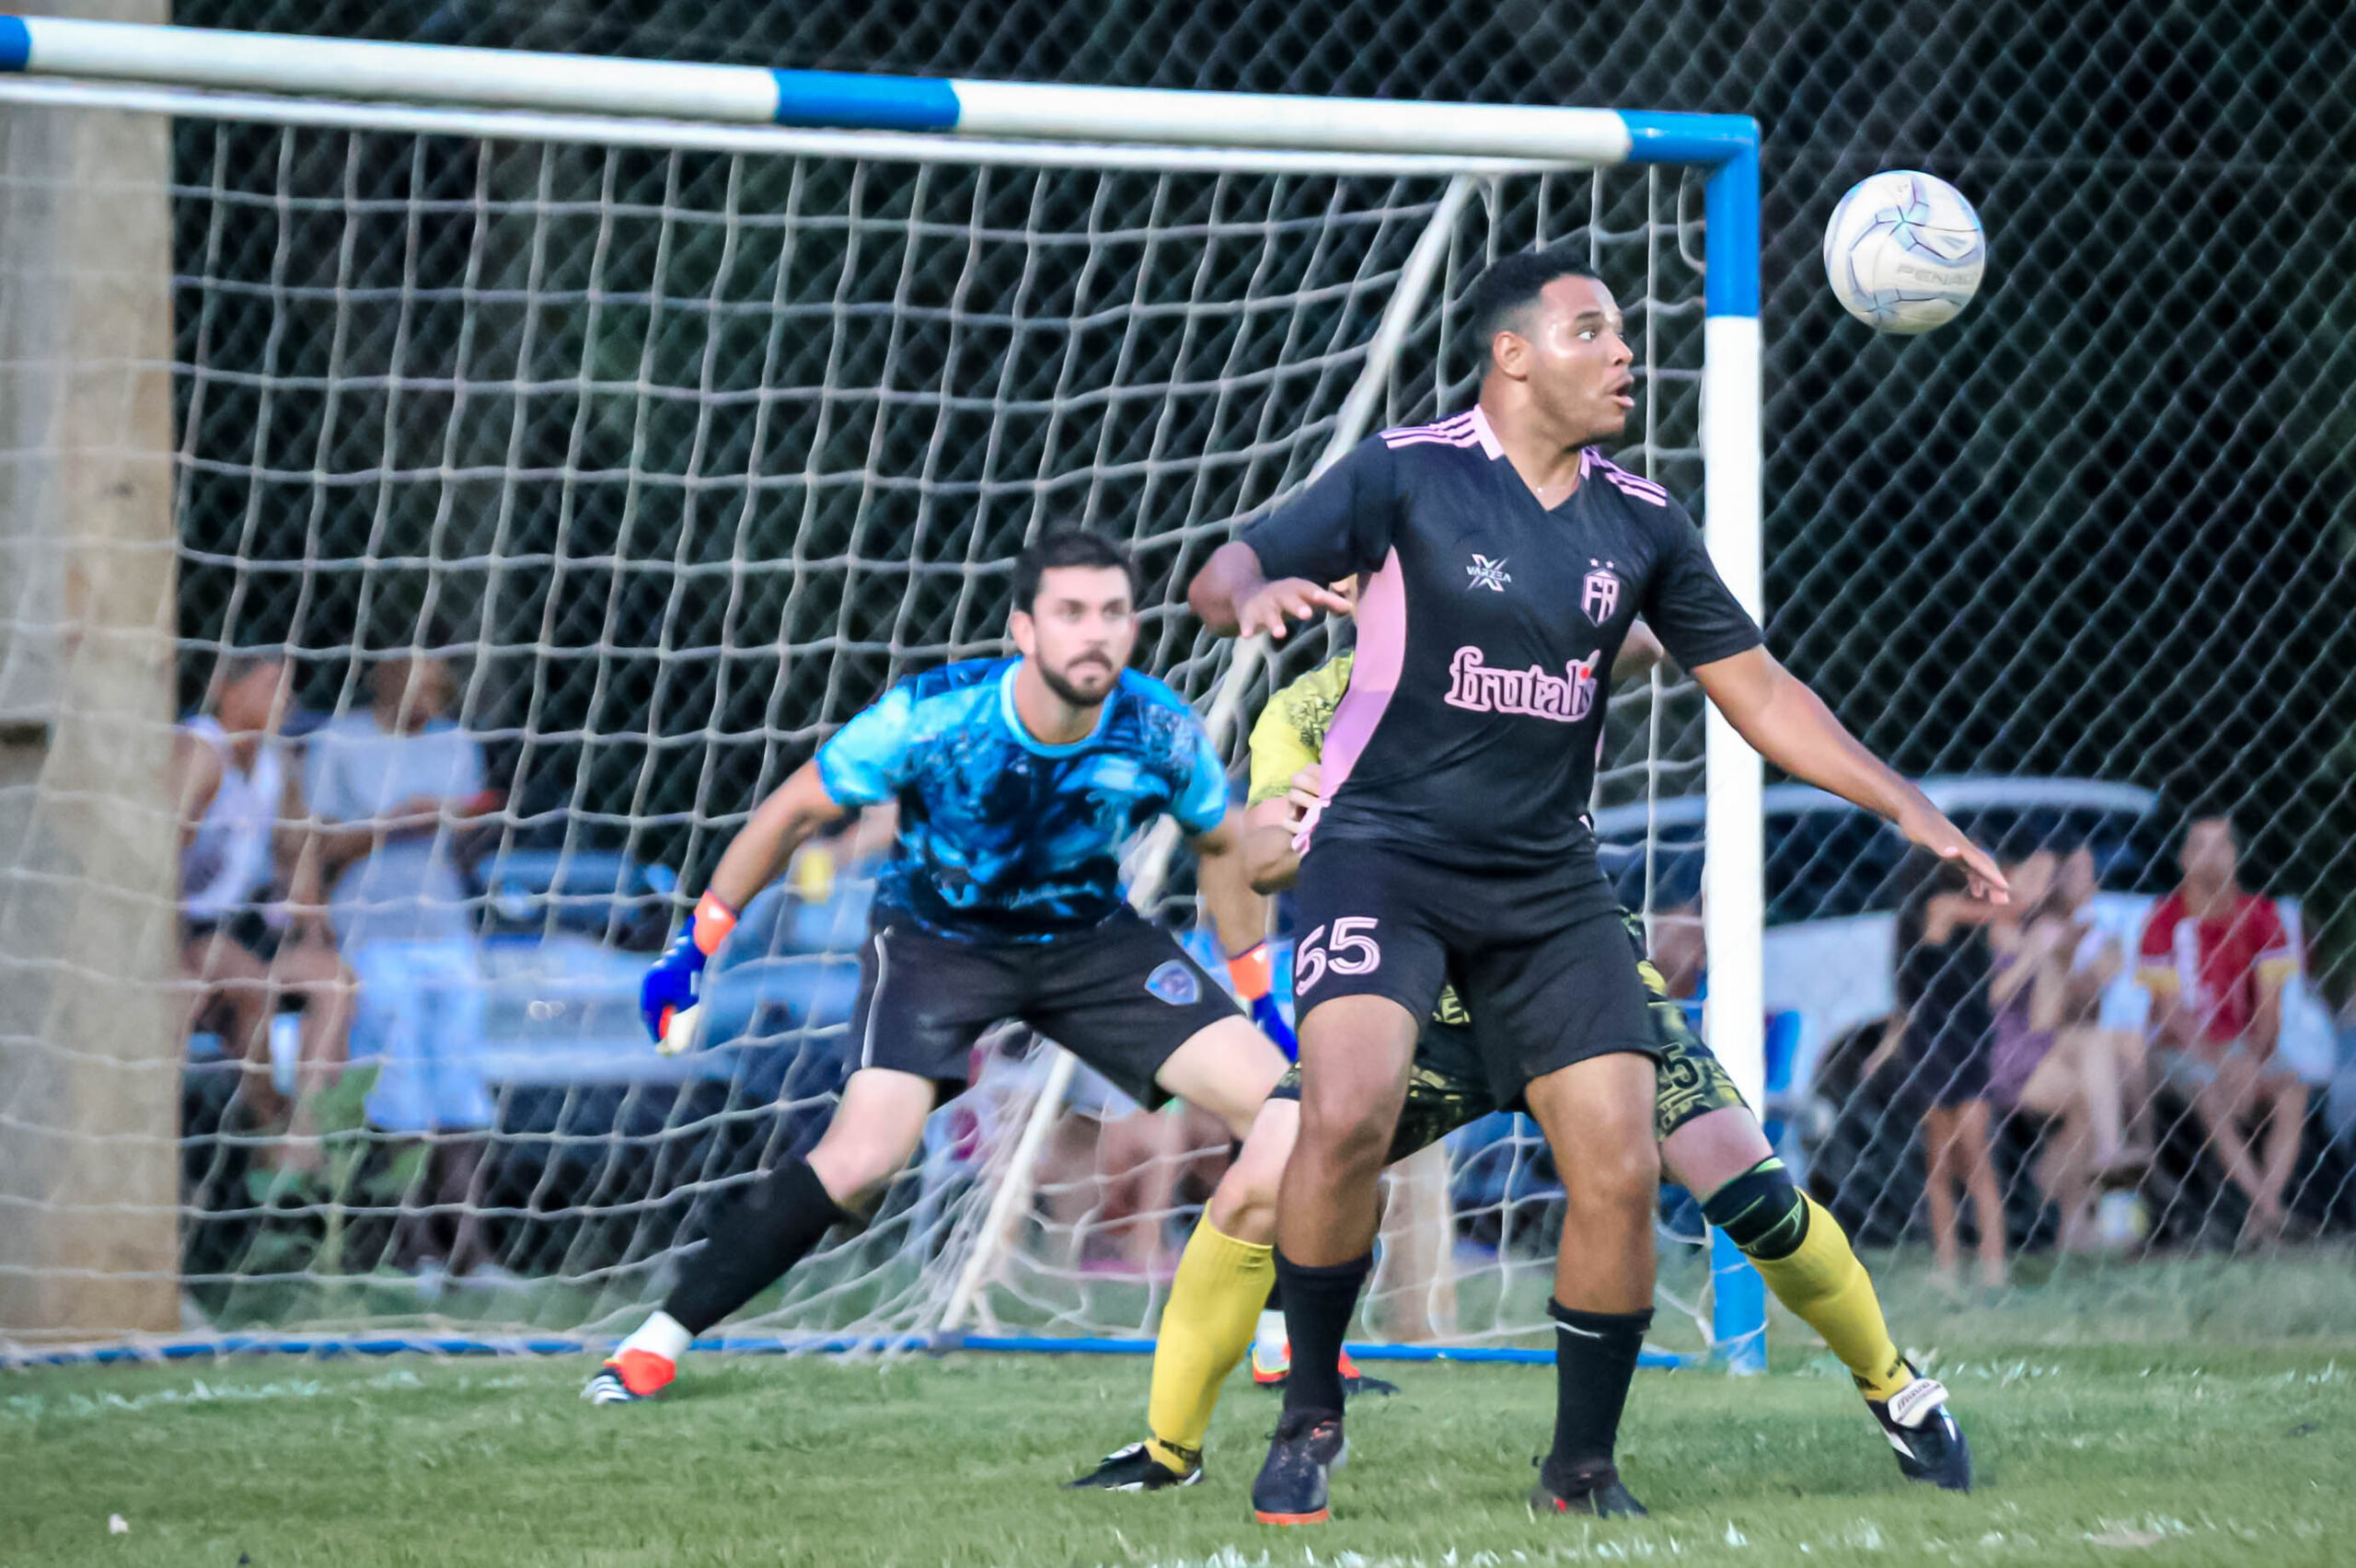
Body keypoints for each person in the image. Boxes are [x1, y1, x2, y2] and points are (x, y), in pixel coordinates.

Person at [1185, 244, 2004, 1523]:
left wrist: (1906, 804)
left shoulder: (1641, 520)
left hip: (1549, 881)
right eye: (1590, 331)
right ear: (1513, 356)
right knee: (1342, 1116)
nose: (1625, 352)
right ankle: (1310, 1417)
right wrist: (1250, 597)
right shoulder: (1408, 472)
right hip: (1385, 856)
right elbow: (1225, 568)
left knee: (1622, 1165)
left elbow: (1762, 693)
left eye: (1623, 332)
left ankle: (1580, 1468)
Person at [1066, 647, 1973, 1503]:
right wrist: (1327, 818)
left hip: (1574, 983)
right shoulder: (1308, 707)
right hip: (1411, 1007)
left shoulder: (1539, 636)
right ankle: (1168, 1449)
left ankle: (1892, 1388)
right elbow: (1259, 855)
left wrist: (1651, 597)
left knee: (1750, 1191)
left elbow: (1662, 627)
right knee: (1260, 1181)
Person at [585, 529, 1292, 1405]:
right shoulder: (934, 714)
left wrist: (1257, 993)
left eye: (1114, 613)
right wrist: (693, 951)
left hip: (1091, 943)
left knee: (1288, 1109)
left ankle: (1280, 1334)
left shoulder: (1158, 729)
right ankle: (654, 1345)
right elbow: (793, 811)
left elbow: (1221, 843)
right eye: (1071, 613)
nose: (1096, 634)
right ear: (1024, 631)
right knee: (863, 1159)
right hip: (936, 942)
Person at [303, 651, 506, 1279]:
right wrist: (391, 825)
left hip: (445, 931)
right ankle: (413, 1250)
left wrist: (479, 826)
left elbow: (464, 847)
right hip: (371, 937)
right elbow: (312, 846)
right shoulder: (339, 744)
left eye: (443, 687)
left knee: (462, 1092)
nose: (436, 698)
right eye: (425, 685)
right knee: (400, 1094)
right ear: (386, 681)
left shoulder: (456, 745)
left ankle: (472, 1256)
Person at [174, 651, 356, 1175]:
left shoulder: (278, 765)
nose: (286, 700)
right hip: (191, 925)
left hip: (247, 923)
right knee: (246, 988)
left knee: (335, 982)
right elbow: (159, 861)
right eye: (271, 686)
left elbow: (295, 853)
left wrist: (310, 908)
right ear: (227, 689)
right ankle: (270, 1135)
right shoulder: (199, 753)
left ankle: (303, 1137)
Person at [2137, 815, 2305, 1247]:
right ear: (2183, 857)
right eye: (2201, 847)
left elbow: (2270, 1009)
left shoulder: (2263, 916)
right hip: (2182, 1050)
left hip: (2244, 1047)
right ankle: (2269, 1211)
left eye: (2222, 846)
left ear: (2235, 855)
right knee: (2207, 1091)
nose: (2212, 858)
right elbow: (2170, 1014)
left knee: (2293, 1090)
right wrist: (2220, 1060)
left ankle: (2260, 1214)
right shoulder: (2163, 920)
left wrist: (2250, 1059)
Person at [1986, 848, 2144, 1254]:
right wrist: (2034, 956)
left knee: (2097, 1082)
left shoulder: (2046, 928)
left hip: (2040, 1045)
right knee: (2098, 1079)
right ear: (2006, 875)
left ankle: (2078, 1216)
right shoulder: (1995, 927)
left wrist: (2067, 959)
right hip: (1997, 1053)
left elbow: (2046, 1020)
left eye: (2049, 878)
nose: (2044, 886)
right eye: (2034, 874)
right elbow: (1993, 997)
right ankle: (2071, 1187)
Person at [1870, 854, 2004, 1291]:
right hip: (1950, 1043)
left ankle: (1976, 1266)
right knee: (1960, 1160)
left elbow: (1906, 999)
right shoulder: (1942, 907)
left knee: (1954, 1161)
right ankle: (1974, 1265)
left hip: (1941, 1042)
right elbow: (2008, 910)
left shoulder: (1916, 918)